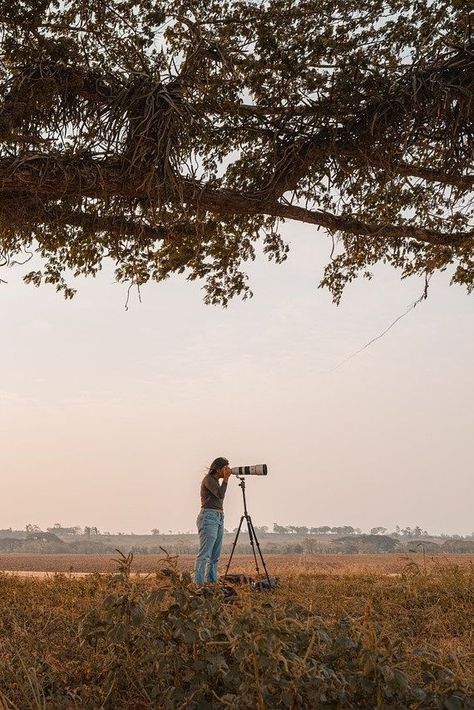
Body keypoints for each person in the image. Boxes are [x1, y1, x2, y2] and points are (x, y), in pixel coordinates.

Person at [194, 456, 232, 585]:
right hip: (208, 517)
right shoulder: (208, 479)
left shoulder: (216, 480)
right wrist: (226, 479)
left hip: (219, 517)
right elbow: (220, 494)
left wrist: (225, 478)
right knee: (205, 554)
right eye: (224, 468)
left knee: (215, 554)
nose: (227, 471)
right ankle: (199, 584)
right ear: (217, 469)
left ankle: (212, 582)